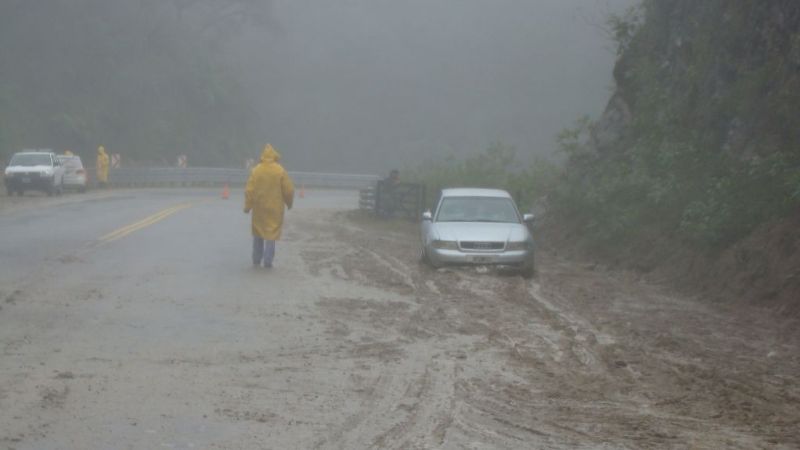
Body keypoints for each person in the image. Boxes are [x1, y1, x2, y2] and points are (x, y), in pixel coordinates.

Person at [244, 144, 295, 268]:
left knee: (258, 232)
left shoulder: (256, 170)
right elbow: (289, 190)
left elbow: (249, 190)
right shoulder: (280, 170)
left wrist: (248, 206)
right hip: (274, 208)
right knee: (271, 234)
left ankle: (256, 259)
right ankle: (268, 261)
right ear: (274, 156)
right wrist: (289, 203)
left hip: (259, 208)